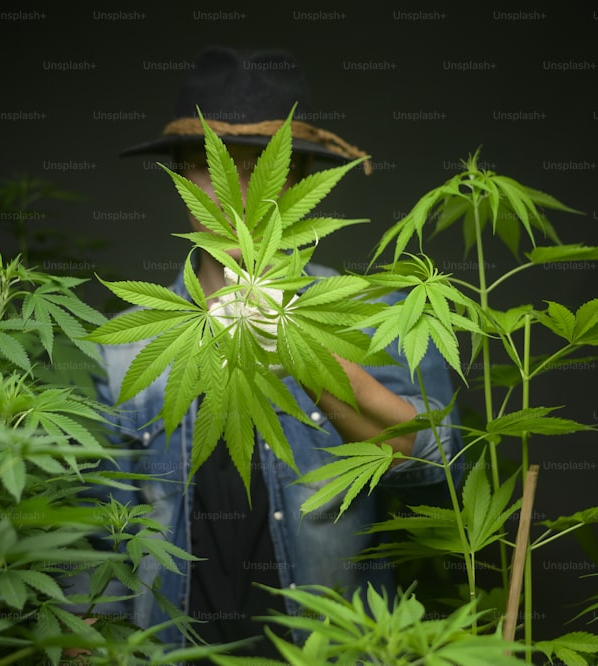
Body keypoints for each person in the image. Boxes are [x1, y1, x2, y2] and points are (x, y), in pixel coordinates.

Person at [76, 46, 463, 660]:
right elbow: (97, 535)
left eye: (260, 167)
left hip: (328, 649)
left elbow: (441, 472)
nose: (235, 192)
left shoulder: (369, 313)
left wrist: (310, 356)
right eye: (212, 165)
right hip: (170, 647)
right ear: (179, 174)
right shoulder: (127, 345)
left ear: (301, 178)